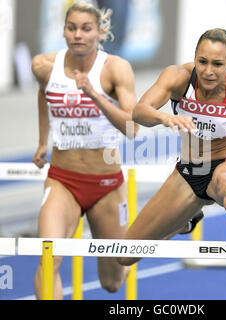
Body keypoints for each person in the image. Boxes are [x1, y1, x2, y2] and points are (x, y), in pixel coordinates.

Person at [118, 28, 226, 267]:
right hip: (188, 172)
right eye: (203, 61)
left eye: (218, 64)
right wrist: (164, 118)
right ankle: (187, 220)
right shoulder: (178, 77)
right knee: (126, 255)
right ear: (195, 57)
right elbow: (139, 112)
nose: (208, 71)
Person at [31, 1, 138, 299]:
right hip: (62, 180)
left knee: (112, 282)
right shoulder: (44, 65)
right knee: (49, 257)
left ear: (99, 32)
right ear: (64, 31)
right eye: (72, 28)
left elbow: (132, 128)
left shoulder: (115, 69)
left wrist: (93, 93)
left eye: (86, 28)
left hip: (106, 185)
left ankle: (150, 238)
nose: (78, 34)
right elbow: (45, 94)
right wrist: (43, 140)